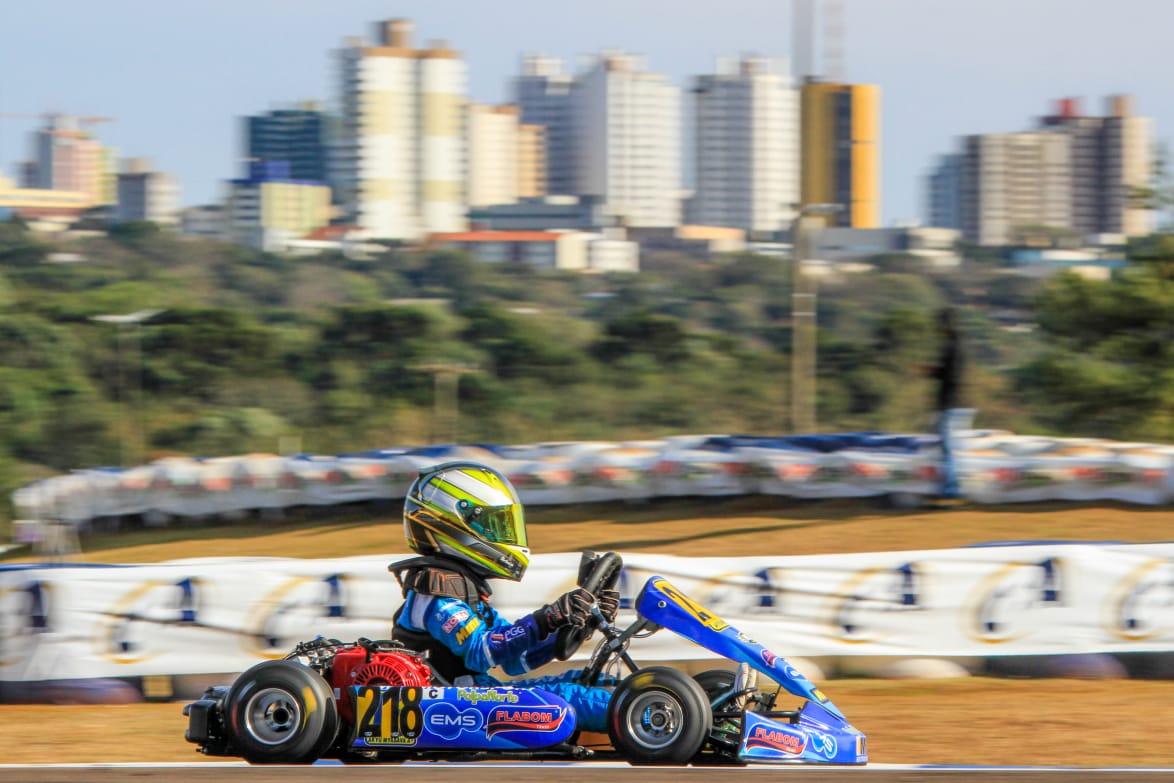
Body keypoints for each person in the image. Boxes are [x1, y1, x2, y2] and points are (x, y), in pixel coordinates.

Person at [389, 462, 620, 734]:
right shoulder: (433, 592)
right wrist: (548, 617)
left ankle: (648, 708)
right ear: (451, 523)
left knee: (596, 684)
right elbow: (480, 652)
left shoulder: (464, 590)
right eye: (491, 524)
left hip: (476, 697)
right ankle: (653, 717)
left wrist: (576, 627)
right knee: (575, 698)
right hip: (452, 704)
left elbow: (514, 659)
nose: (500, 533)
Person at [929, 307, 969, 505]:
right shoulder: (959, 346)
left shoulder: (950, 347)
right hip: (955, 403)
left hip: (948, 404)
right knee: (950, 448)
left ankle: (950, 491)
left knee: (947, 449)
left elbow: (948, 376)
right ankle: (950, 488)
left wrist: (932, 371)